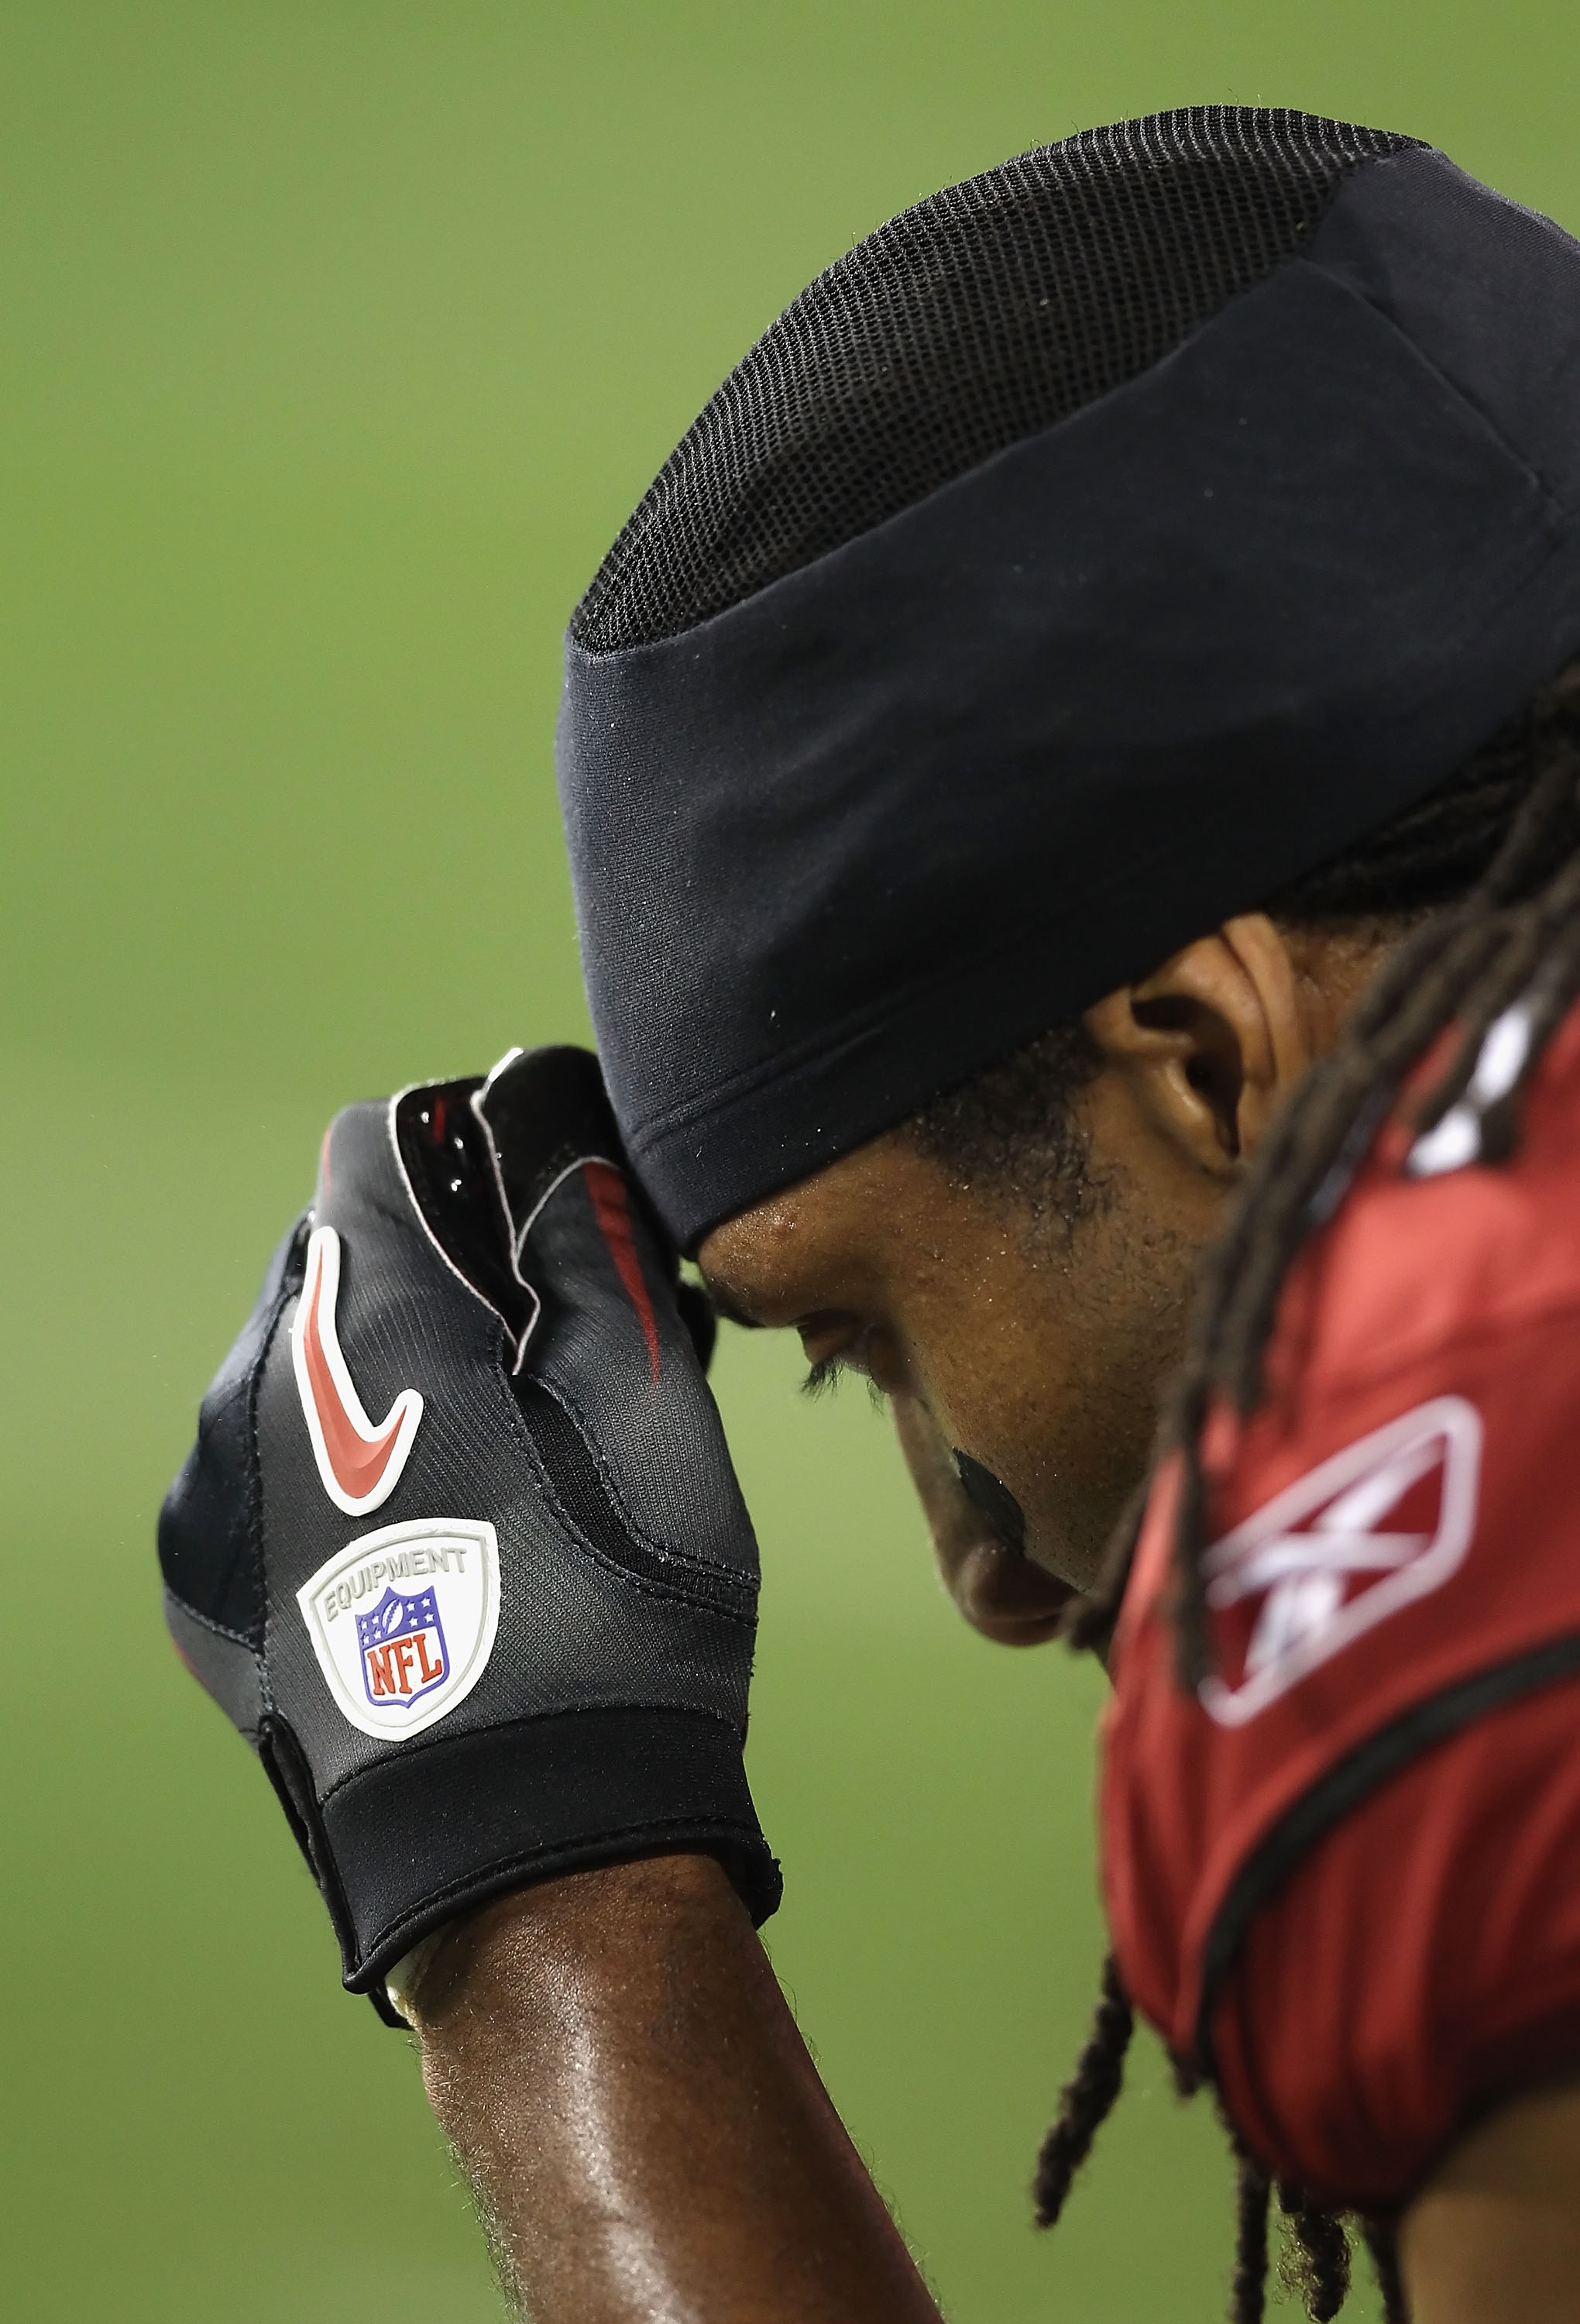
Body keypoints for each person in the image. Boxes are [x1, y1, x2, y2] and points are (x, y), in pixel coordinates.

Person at [158, 108, 1580, 2321]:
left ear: (1206, 1062)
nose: (985, 1572)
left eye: (873, 1340)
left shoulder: (1489, 1553)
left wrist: (548, 1922)